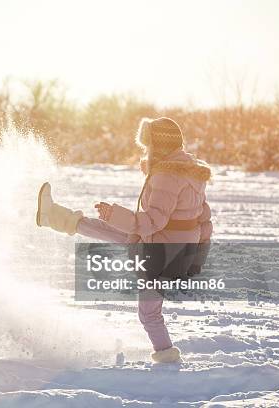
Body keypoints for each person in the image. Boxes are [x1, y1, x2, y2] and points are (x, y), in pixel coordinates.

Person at [36, 117, 212, 363]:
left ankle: (167, 358)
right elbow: (204, 219)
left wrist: (114, 214)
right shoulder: (192, 173)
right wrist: (197, 257)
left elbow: (152, 221)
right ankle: (52, 216)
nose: (146, 150)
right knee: (111, 231)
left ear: (158, 146)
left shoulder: (167, 177)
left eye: (148, 144)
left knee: (149, 313)